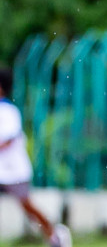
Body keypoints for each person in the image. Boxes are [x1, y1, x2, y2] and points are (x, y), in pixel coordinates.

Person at [0, 71, 70, 247]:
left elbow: (9, 139)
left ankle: (55, 234)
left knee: (27, 206)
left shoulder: (8, 111)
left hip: (12, 169)